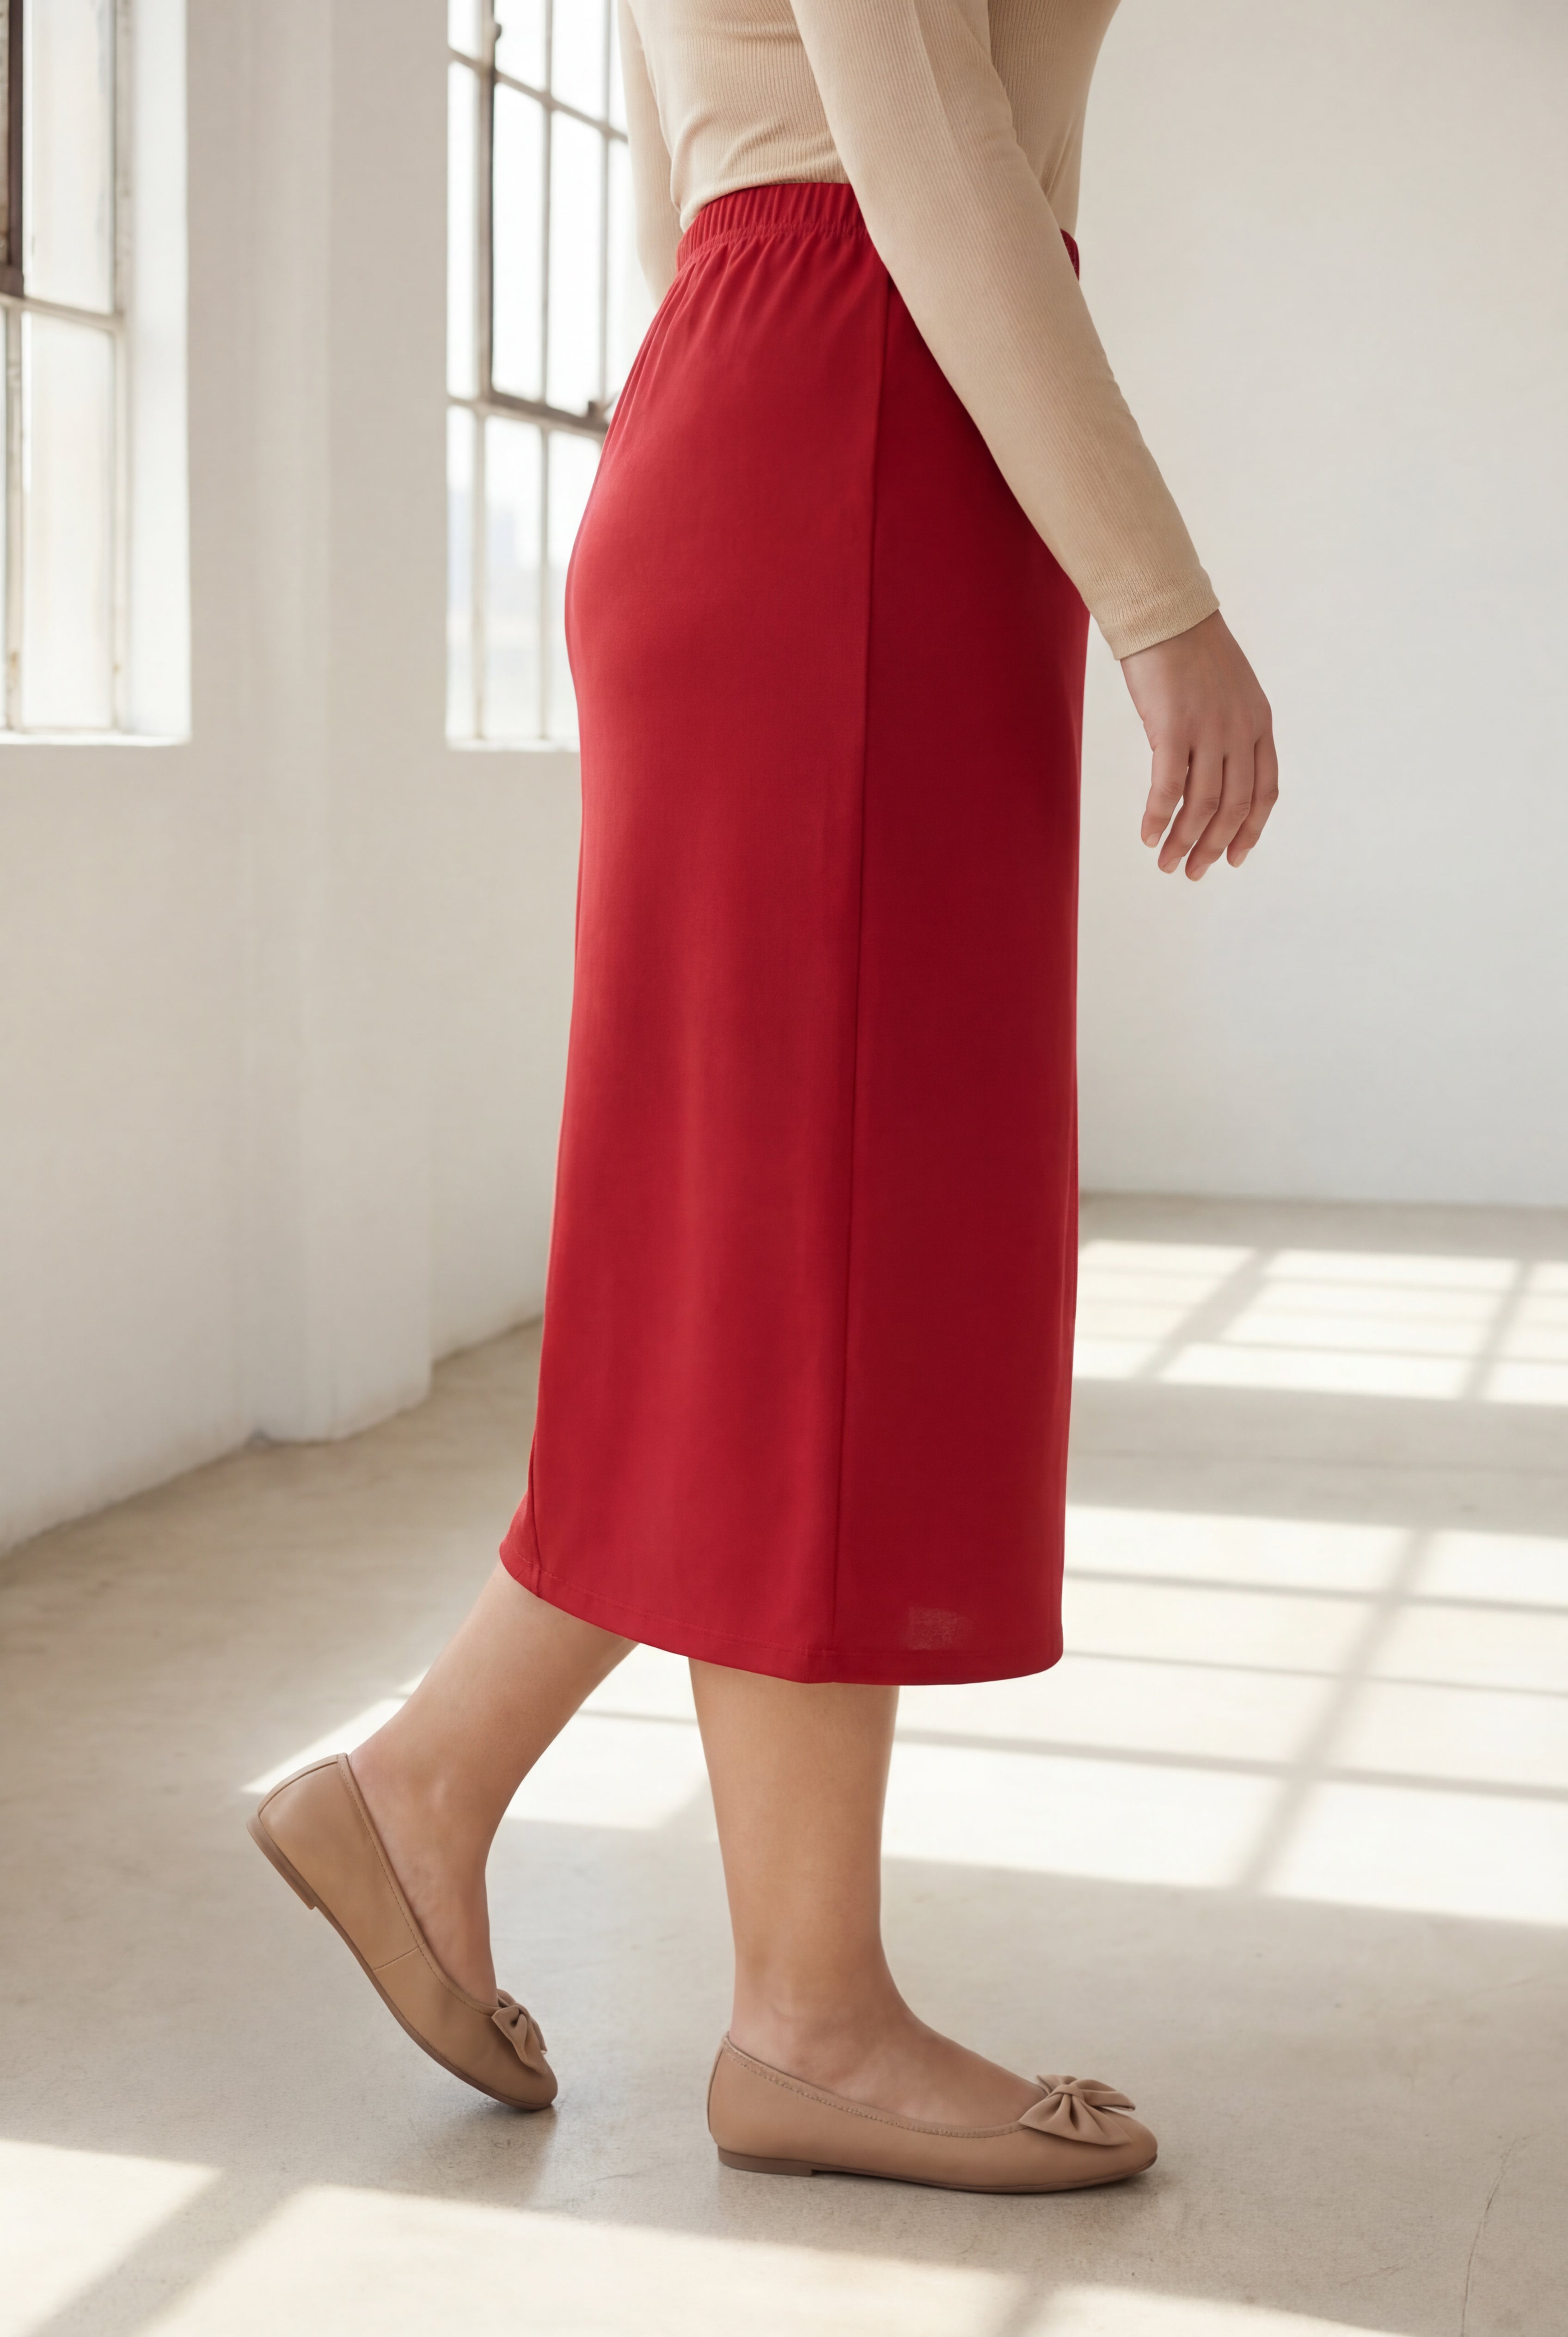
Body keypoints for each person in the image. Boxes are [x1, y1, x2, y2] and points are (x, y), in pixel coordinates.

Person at [250, 0, 1276, 2194]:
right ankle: (799, 2011)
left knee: (798, 1254)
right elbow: (922, 157)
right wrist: (1160, 597)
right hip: (860, 420)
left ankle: (436, 1789)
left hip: (797, 398)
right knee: (829, 1256)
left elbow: (702, 167)